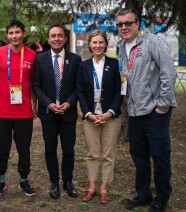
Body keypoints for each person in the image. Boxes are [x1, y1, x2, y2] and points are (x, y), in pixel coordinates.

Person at [115, 8, 177, 212]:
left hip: (154, 112)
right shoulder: (121, 46)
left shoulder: (153, 42)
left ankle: (162, 197)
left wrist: (162, 105)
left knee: (159, 155)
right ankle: (143, 194)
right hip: (134, 112)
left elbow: (169, 72)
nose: (124, 27)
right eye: (120, 24)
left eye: (128, 23)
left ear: (138, 23)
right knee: (138, 156)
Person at [0, 19, 37, 197]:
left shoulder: (31, 55)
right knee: (2, 147)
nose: (14, 36)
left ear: (23, 34)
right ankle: (1, 179)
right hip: (2, 111)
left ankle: (24, 180)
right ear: (7, 35)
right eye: (11, 33)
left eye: (17, 32)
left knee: (24, 147)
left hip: (24, 111)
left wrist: (34, 105)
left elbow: (33, 83)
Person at [32, 24, 81, 199]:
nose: (56, 39)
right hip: (49, 113)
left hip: (68, 113)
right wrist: (48, 103)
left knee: (68, 149)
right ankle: (54, 182)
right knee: (50, 149)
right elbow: (36, 86)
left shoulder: (75, 59)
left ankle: (67, 181)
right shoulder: (40, 59)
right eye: (53, 36)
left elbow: (78, 87)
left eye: (60, 35)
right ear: (49, 38)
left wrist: (69, 103)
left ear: (65, 38)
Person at [76, 29, 123, 204]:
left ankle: (104, 188)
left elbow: (120, 91)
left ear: (106, 44)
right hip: (91, 117)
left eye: (101, 42)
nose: (97, 45)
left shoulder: (115, 64)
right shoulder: (83, 66)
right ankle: (92, 187)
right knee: (92, 153)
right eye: (94, 42)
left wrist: (110, 112)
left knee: (108, 154)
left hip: (110, 117)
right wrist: (88, 114)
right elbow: (80, 91)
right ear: (90, 45)